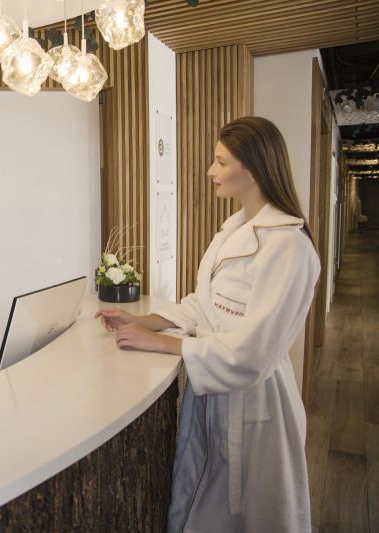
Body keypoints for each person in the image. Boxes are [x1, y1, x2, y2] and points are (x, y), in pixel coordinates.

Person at [96, 117, 319, 532]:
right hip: (214, 399)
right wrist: (142, 321)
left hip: (257, 407)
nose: (210, 171)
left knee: (254, 518)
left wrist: (162, 344)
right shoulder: (233, 231)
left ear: (252, 167)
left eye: (221, 162)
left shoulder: (288, 247)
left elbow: (253, 355)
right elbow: (205, 306)